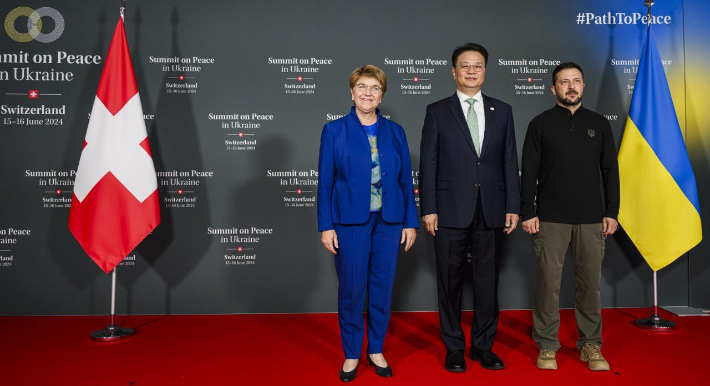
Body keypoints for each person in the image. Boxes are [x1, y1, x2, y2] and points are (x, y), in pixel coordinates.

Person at [419, 43, 521, 373]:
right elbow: (429, 163)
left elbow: (509, 161)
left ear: (485, 71)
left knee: (487, 283)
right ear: (454, 71)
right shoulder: (436, 111)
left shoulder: (502, 110)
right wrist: (428, 207)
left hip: (491, 208)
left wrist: (513, 205)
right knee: (448, 282)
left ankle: (483, 346)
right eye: (465, 65)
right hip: (449, 209)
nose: (472, 70)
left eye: (478, 65)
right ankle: (453, 347)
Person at [317, 65, 419, 382]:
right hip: (349, 223)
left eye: (375, 87)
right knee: (351, 290)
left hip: (389, 222)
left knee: (381, 288)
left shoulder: (395, 132)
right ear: (351, 92)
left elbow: (405, 182)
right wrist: (326, 226)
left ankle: (375, 349)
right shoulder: (334, 131)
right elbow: (326, 183)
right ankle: (351, 353)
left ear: (382, 94)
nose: (368, 93)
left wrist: (410, 222)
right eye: (362, 86)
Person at [520, 62, 619, 372]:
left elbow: (610, 172)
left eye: (576, 81)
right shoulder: (540, 124)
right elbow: (529, 174)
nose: (571, 86)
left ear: (583, 86)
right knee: (547, 284)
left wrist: (611, 212)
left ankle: (591, 345)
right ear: (554, 89)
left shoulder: (600, 124)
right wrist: (528, 212)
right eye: (564, 82)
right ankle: (547, 345)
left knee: (590, 284)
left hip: (592, 219)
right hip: (550, 219)